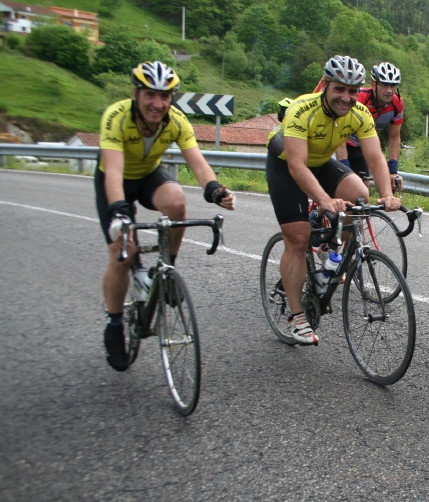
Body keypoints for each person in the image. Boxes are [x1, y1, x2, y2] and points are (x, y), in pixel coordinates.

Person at [96, 61, 236, 371]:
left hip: (147, 176)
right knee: (123, 252)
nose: (158, 104)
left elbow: (197, 162)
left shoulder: (176, 121)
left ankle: (166, 267)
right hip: (114, 181)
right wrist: (120, 213)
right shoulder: (116, 118)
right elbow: (114, 173)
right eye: (150, 95)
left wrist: (214, 190)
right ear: (136, 94)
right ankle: (114, 324)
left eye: (165, 96)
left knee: (176, 202)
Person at [266, 55, 402, 346]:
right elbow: (297, 167)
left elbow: (375, 156)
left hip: (319, 163)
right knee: (299, 238)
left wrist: (387, 195)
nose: (346, 97)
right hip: (287, 164)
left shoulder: (360, 113)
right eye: (339, 89)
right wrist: (325, 200)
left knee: (360, 197)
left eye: (352, 91)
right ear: (326, 86)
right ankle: (297, 317)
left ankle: (331, 253)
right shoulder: (302, 110)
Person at [334, 62, 405, 192]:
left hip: (362, 147)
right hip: (339, 142)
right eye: (384, 85)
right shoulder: (360, 98)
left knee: (362, 191)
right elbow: (340, 133)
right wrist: (344, 165)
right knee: (340, 188)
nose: (389, 90)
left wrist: (393, 170)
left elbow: (394, 138)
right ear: (373, 84)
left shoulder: (397, 103)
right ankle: (318, 210)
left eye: (392, 86)